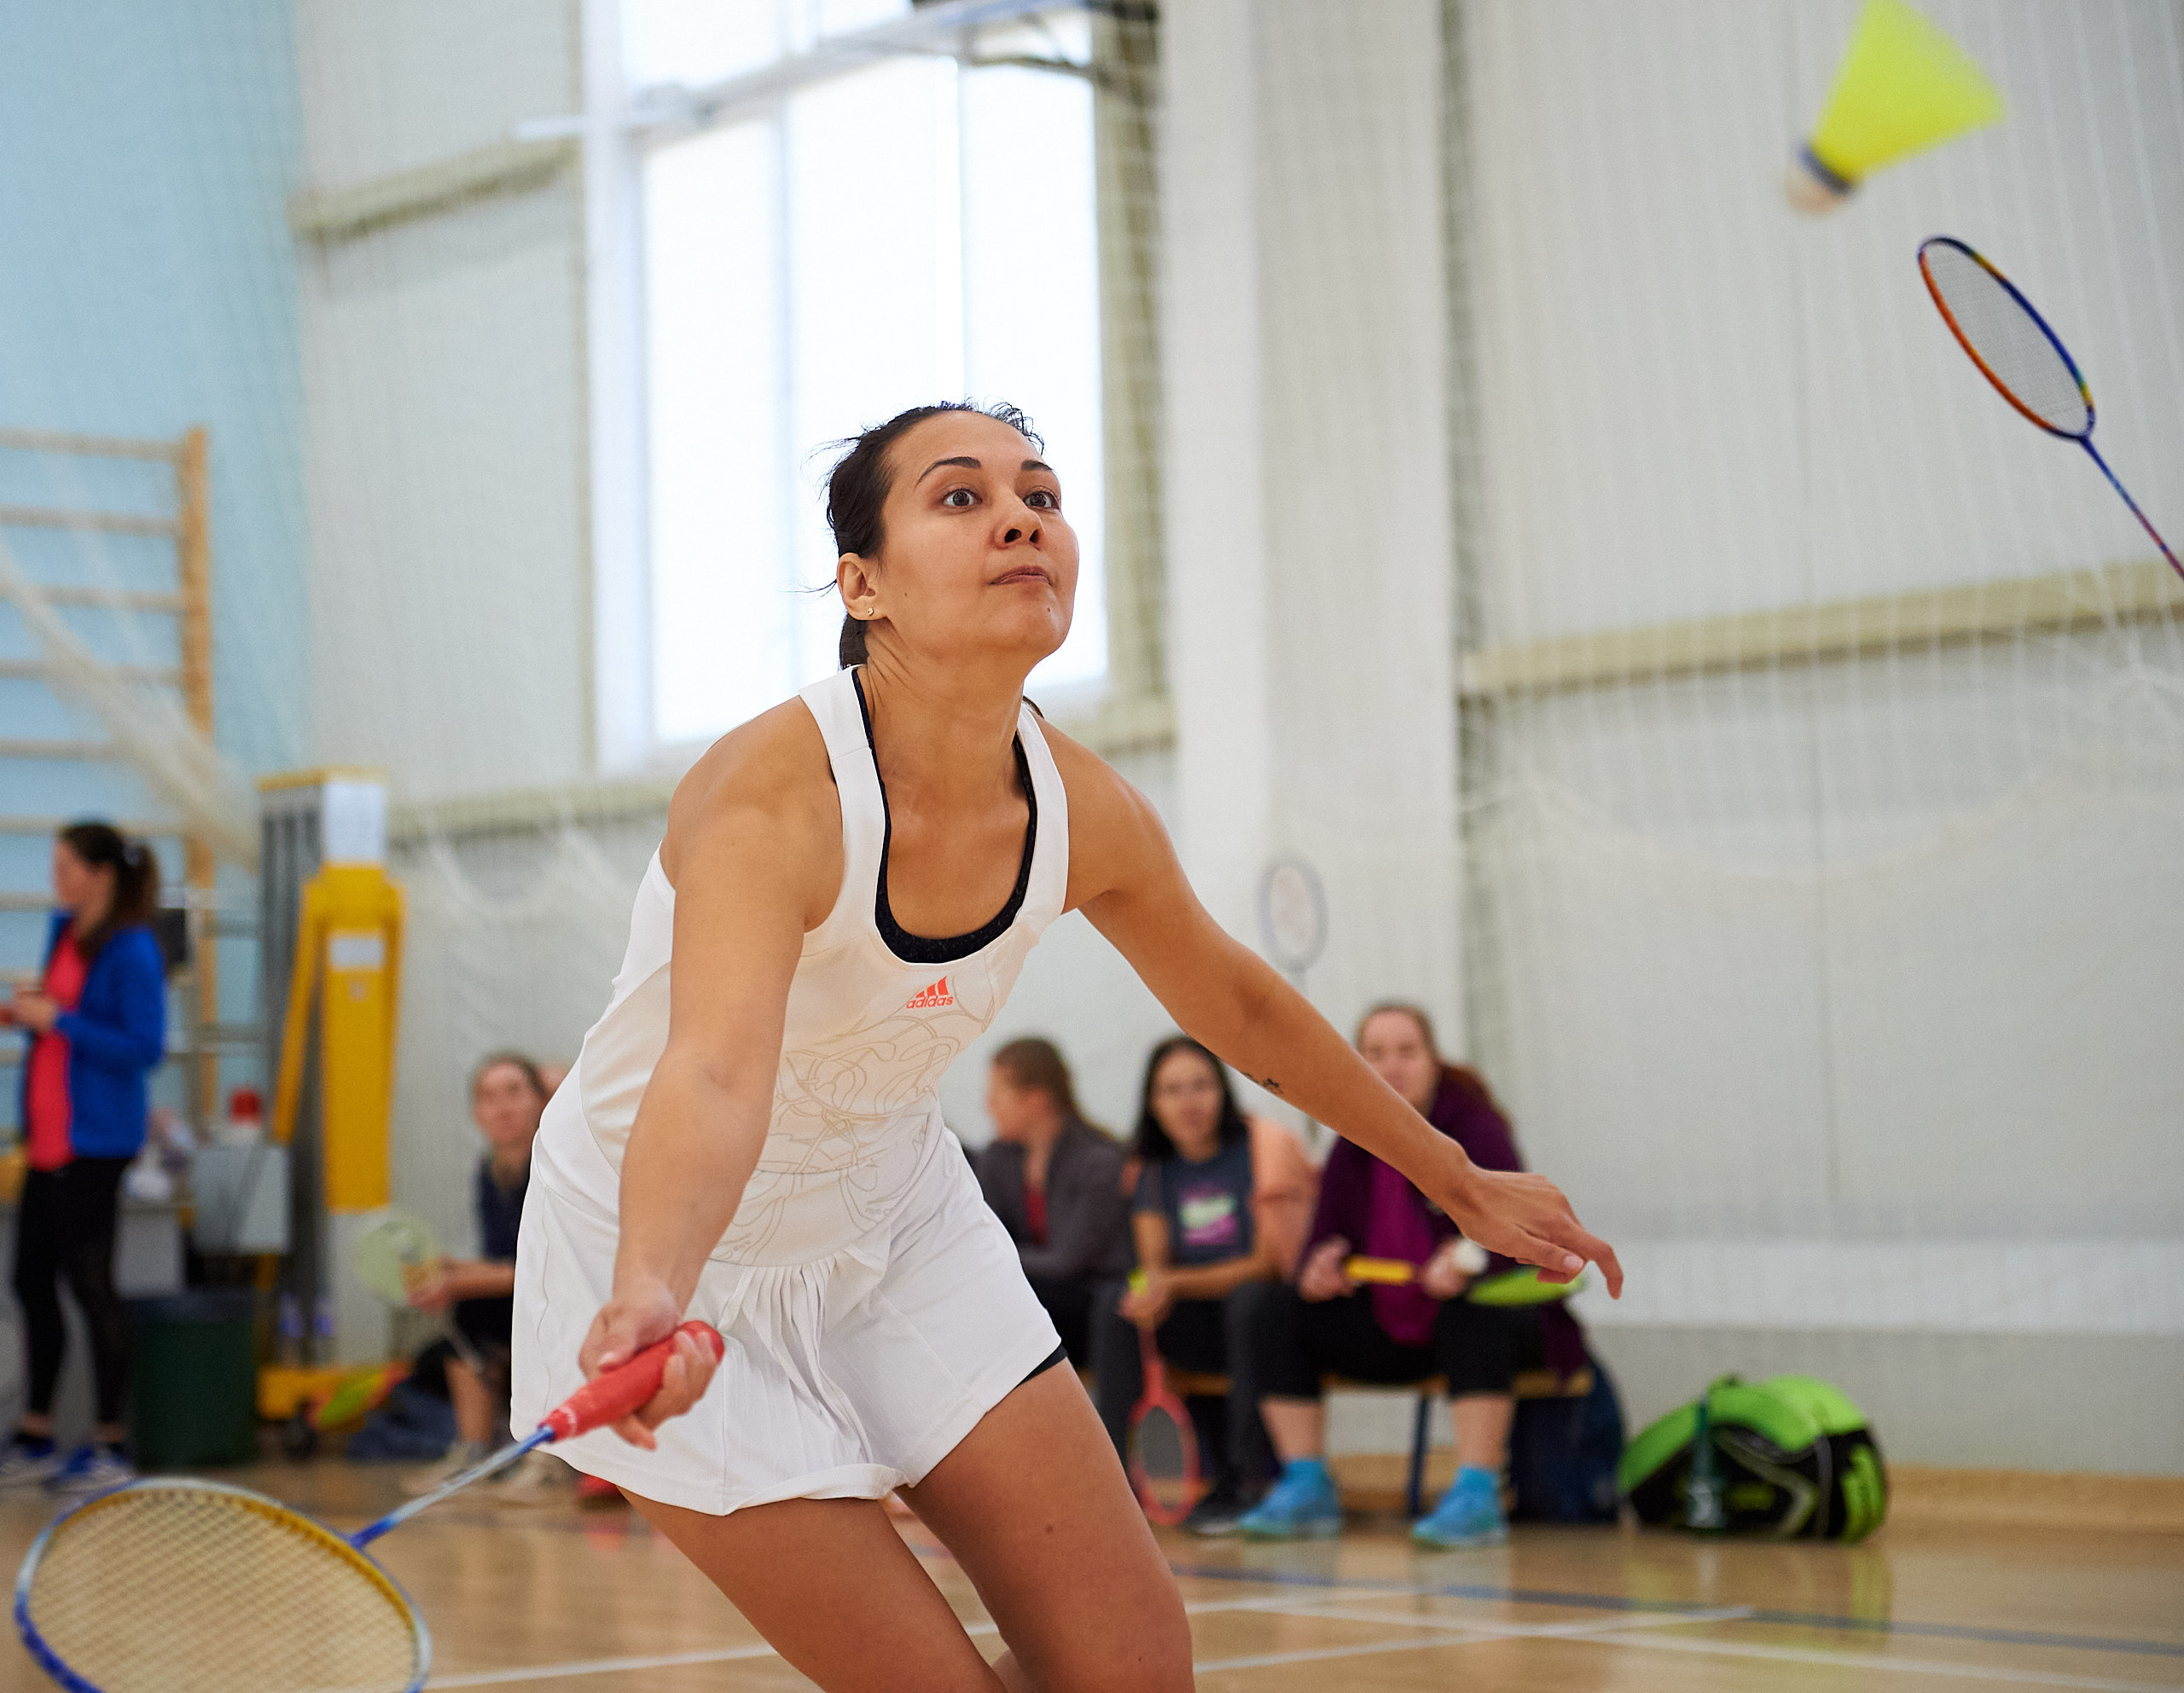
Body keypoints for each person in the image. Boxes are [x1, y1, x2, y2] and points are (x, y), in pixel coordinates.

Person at [510, 401, 1618, 1692]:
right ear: (863, 586)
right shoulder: (774, 796)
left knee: (1132, 1670)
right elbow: (713, 1071)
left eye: (1039, 493)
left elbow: (1240, 1005)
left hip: (893, 1222)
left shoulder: (1084, 807)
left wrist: (1455, 1177)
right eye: (962, 496)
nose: (1021, 518)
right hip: (660, 1249)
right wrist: (652, 1282)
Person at [1235, 1002, 1589, 1548]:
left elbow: (1522, 1238)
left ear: (1433, 1061)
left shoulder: (1476, 1129)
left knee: (1475, 1313)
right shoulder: (1351, 1139)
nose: (1392, 1066)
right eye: (1375, 1054)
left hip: (1489, 1322)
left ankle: (1477, 1492)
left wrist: (1467, 1261)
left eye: (1406, 1051)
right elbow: (1319, 1248)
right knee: (1274, 1310)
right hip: (1390, 1319)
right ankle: (1305, 1483)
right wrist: (1320, 1270)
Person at [1089, 1035, 1316, 1534]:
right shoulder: (1150, 1171)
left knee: (1251, 1301)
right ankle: (1109, 1485)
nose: (1188, 1102)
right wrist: (1150, 1292)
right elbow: (1154, 1267)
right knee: (1114, 1305)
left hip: (1261, 1323)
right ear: (1153, 1103)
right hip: (1194, 1325)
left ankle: (1244, 1481)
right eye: (1171, 1091)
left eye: (1200, 1086)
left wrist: (1173, 1282)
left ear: (1223, 1091)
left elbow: (1267, 1264)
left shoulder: (1261, 1148)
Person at [0, 823, 166, 1493]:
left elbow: (143, 1046)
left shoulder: (132, 948)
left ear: (102, 874)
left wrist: (59, 1021)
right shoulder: (64, 930)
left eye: (67, 866)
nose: (57, 878)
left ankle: (110, 1442)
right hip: (48, 1141)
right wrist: (30, 1017)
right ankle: (37, 1432)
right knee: (30, 1280)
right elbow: (61, 1016)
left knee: (93, 1286)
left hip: (95, 1144)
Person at [402, 1052, 555, 1499]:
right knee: (465, 1321)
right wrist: (446, 1270)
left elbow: (544, 1270)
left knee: (539, 1321)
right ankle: (474, 1454)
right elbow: (503, 1259)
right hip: (524, 1293)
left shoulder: (556, 1165)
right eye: (488, 1097)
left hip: (568, 1300)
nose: (502, 1107)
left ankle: (550, 1460)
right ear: (476, 1113)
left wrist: (459, 1280)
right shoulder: (489, 1173)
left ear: (541, 1101)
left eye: (514, 1092)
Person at [972, 1037, 1130, 1362]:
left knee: (996, 1304)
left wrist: (993, 1256)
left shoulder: (1098, 1160)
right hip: (1039, 1298)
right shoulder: (999, 1158)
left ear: (1036, 1099)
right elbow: (980, 1236)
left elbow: (1069, 1261)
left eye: (997, 1096)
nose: (988, 1107)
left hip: (1095, 1308)